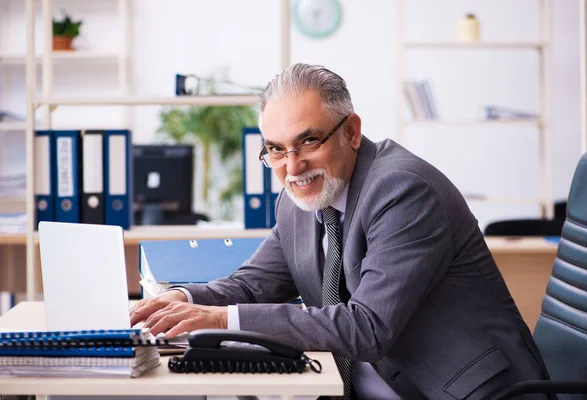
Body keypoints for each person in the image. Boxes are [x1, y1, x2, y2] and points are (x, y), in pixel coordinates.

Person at [130, 63, 552, 400]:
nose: (292, 168)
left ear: (351, 131)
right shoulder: (298, 201)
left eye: (308, 141)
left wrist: (220, 319)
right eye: (275, 149)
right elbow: (255, 284)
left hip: (464, 390)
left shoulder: (403, 191)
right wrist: (179, 299)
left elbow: (366, 328)